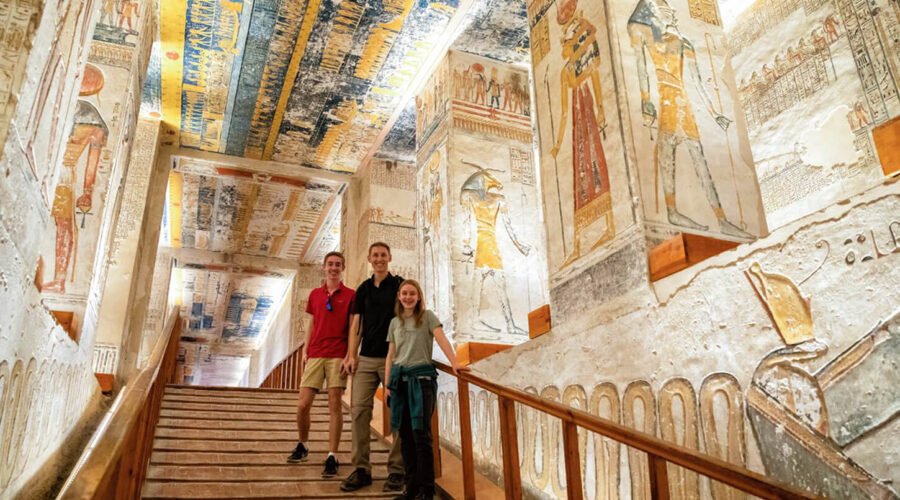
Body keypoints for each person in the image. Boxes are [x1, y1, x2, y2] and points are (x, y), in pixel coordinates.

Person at [384, 280, 468, 500]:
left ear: (419, 296)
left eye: (412, 293)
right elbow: (391, 356)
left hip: (421, 382)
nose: (408, 297)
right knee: (404, 436)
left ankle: (426, 489)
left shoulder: (428, 317)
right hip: (399, 382)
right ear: (399, 297)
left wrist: (455, 362)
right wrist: (387, 386)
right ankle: (410, 488)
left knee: (421, 435)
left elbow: (442, 340)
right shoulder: (394, 323)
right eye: (404, 293)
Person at [340, 242, 405, 492]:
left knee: (397, 414)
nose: (379, 259)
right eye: (375, 255)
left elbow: (407, 317)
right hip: (366, 359)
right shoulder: (364, 289)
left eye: (383, 255)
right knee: (359, 413)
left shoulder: (399, 285)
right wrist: (351, 354)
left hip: (393, 357)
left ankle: (397, 471)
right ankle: (361, 469)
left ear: (389, 258)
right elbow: (356, 324)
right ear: (369, 259)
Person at [287, 252, 354, 479]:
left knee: (335, 405)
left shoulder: (350, 295)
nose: (333, 268)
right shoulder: (315, 295)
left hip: (337, 354)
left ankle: (332, 455)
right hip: (315, 354)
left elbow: (354, 328)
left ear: (342, 268)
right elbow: (312, 322)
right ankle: (303, 444)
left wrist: (350, 354)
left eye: (337, 265)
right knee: (303, 404)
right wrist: (305, 349)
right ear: (324, 267)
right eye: (330, 264)